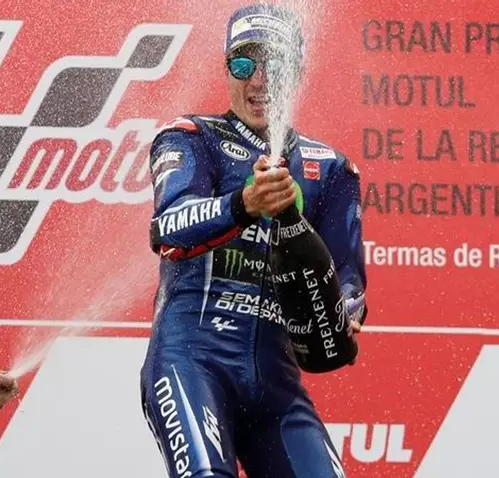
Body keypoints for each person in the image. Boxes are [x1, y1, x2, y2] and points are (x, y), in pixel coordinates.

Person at [139, 3, 366, 477]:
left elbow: (348, 277)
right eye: (243, 63)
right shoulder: (191, 138)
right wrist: (243, 204)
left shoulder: (331, 169)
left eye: (274, 65)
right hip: (191, 363)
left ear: (296, 74)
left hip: (276, 383)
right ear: (227, 68)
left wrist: (343, 310)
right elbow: (169, 229)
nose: (259, 80)